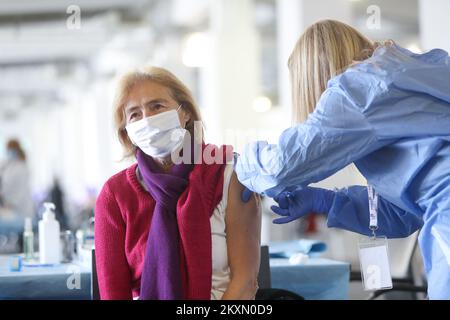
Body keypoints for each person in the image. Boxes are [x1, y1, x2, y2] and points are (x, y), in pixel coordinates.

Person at [235, 20, 450, 299]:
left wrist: (239, 160)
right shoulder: (409, 71)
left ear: (313, 77)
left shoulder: (357, 89)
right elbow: (404, 213)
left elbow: (281, 167)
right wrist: (326, 201)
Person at [95, 66, 261, 300]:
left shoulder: (228, 175)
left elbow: (245, 282)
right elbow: (113, 293)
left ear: (186, 114)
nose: (147, 120)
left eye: (157, 106)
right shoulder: (115, 195)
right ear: (127, 132)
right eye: (134, 114)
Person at [0, 139, 34, 232]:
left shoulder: (22, 167)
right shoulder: (7, 164)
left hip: (21, 207)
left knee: (24, 231)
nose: (8, 152)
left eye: (10, 149)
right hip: (9, 206)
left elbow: (21, 191)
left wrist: (10, 203)